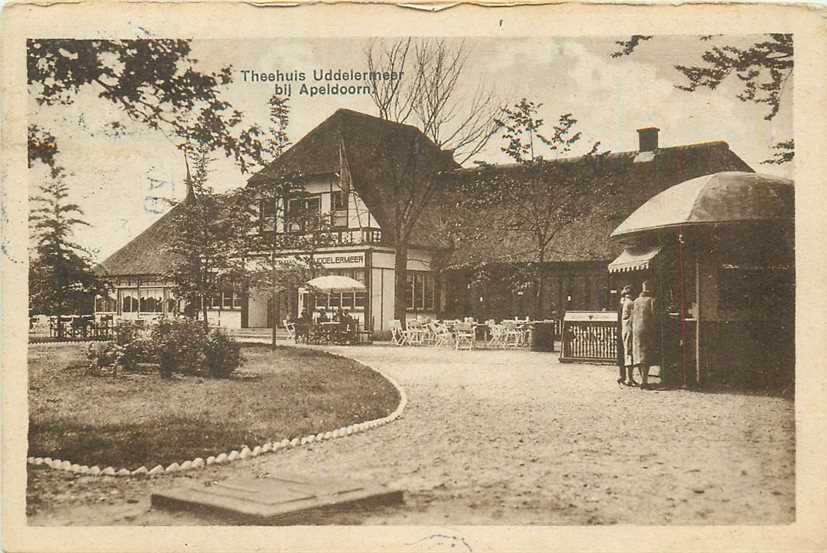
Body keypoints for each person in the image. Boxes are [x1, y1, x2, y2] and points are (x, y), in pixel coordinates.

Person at [632, 280, 657, 390]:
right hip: (647, 329)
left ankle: (642, 379)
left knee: (638, 354)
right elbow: (654, 315)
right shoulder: (652, 300)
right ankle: (644, 381)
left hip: (636, 329)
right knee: (646, 354)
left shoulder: (636, 301)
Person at [616, 285, 637, 386]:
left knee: (622, 352)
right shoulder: (630, 303)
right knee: (629, 353)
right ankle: (629, 378)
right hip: (628, 330)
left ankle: (622, 375)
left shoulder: (621, 303)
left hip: (621, 329)